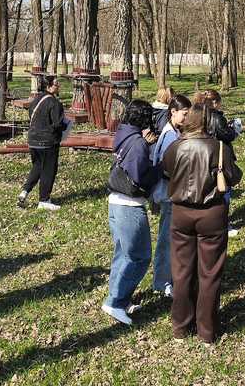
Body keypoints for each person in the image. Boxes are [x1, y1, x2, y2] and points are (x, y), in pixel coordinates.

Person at [162, 102, 242, 344]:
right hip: (211, 214)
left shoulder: (175, 147)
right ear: (207, 121)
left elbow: (166, 171)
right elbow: (234, 176)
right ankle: (206, 331)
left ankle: (180, 327)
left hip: (181, 213)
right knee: (209, 273)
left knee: (181, 271)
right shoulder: (218, 147)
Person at [102, 100, 161, 326]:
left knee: (123, 254)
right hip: (129, 205)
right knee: (139, 256)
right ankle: (115, 302)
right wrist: (160, 168)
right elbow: (139, 177)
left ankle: (121, 298)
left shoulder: (124, 133)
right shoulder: (138, 143)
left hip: (116, 202)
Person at [150, 93, 191, 297]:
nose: (187, 118)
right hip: (169, 193)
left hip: (173, 192)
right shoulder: (170, 137)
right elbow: (167, 168)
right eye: (184, 114)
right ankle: (162, 282)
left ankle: (169, 277)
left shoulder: (175, 132)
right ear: (173, 112)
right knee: (167, 239)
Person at [17, 75, 72, 211]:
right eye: (56, 84)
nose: (59, 86)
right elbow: (57, 124)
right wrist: (67, 126)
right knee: (49, 170)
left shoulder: (35, 100)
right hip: (48, 142)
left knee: (37, 166)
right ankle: (44, 200)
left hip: (32, 140)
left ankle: (25, 191)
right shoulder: (54, 103)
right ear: (48, 87)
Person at [198, 88, 240, 236]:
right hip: (220, 157)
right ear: (215, 102)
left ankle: (209, 221)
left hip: (204, 156)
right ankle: (223, 224)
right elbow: (225, 135)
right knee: (223, 189)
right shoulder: (217, 118)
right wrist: (234, 131)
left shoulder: (200, 115)